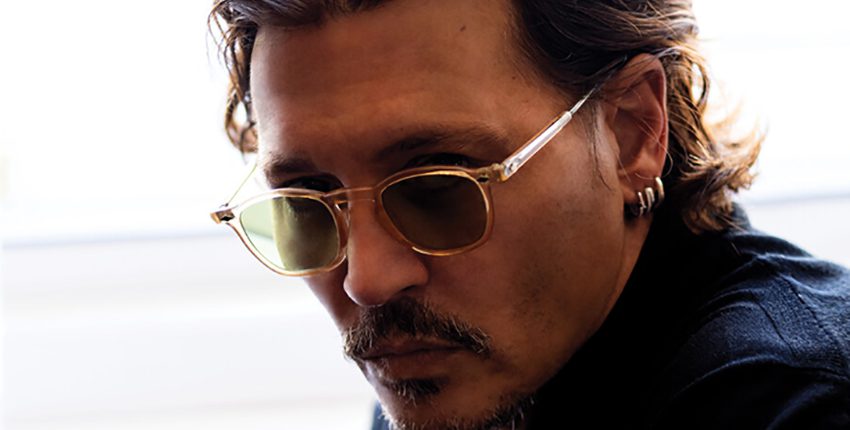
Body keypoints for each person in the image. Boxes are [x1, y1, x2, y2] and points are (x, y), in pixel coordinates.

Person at [207, 0, 850, 428]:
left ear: (632, 131)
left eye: (438, 187)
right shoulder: (456, 364)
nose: (366, 280)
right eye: (310, 198)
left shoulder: (790, 405)